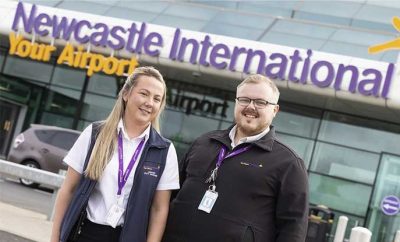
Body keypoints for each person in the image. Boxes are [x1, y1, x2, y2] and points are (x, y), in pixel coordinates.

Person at [163, 74, 309, 242]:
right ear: (236, 102)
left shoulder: (289, 163)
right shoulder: (204, 142)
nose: (251, 107)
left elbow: (293, 230)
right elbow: (170, 195)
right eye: (244, 100)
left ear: (275, 110)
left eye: (260, 102)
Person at [50, 66, 179, 242]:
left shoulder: (164, 150)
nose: (150, 102)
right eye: (144, 93)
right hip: (84, 234)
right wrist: (55, 238)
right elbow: (68, 189)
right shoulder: (95, 134)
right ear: (126, 94)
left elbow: (159, 209)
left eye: (157, 99)